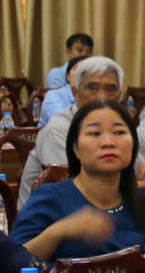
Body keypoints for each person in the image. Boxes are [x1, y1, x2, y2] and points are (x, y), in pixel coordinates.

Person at [11, 100, 145, 269]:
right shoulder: (50, 198)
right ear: (76, 148)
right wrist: (59, 231)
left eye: (119, 132)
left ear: (133, 145)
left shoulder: (142, 201)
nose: (108, 142)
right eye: (94, 133)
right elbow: (12, 264)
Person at [19, 56, 125, 209]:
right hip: (51, 216)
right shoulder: (59, 129)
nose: (102, 97)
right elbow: (72, 190)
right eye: (92, 88)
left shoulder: (121, 128)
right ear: (75, 93)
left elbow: (140, 173)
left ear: (119, 96)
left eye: (110, 89)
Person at [39, 55, 88, 126]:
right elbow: (60, 124)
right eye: (77, 69)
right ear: (68, 76)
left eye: (85, 71)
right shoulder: (53, 95)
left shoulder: (95, 96)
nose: (80, 74)